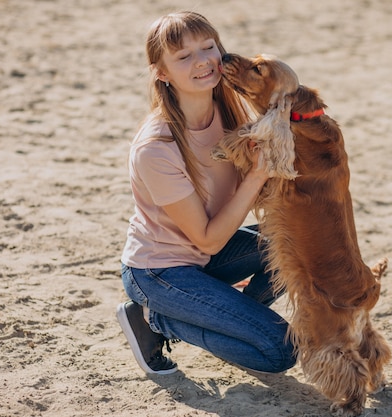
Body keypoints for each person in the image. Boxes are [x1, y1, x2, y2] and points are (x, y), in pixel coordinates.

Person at [116, 11, 296, 375]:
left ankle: (228, 311)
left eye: (208, 47)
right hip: (160, 271)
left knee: (295, 241)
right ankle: (154, 320)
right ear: (161, 73)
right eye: (183, 56)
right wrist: (257, 175)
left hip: (204, 261)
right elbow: (208, 239)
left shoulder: (228, 111)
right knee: (281, 351)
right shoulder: (156, 147)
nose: (202, 61)